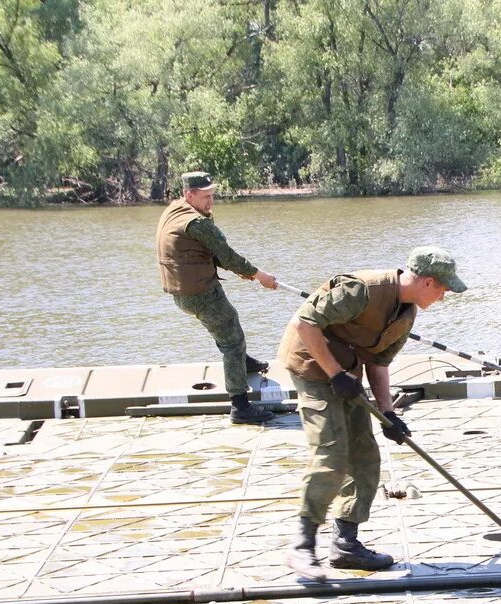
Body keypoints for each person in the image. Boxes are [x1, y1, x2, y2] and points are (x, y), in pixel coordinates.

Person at [277, 246, 467, 579]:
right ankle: (302, 547)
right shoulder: (362, 289)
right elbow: (305, 324)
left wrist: (388, 413)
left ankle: (346, 545)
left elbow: (378, 363)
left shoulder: (405, 313)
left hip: (346, 374)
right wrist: (334, 373)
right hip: (311, 367)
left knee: (365, 457)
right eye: (443, 289)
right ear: (427, 281)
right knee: (331, 455)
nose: (443, 296)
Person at [155, 170, 277, 425]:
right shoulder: (197, 222)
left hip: (182, 293)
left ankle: (244, 363)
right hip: (200, 293)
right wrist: (259, 275)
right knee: (231, 340)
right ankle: (241, 406)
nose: (211, 201)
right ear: (189, 194)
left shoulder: (174, 210)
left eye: (213, 195)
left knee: (228, 325)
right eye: (206, 196)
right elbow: (227, 255)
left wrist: (242, 272)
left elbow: (211, 254)